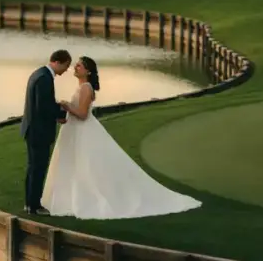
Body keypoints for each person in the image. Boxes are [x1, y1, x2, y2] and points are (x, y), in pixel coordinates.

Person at [41, 56, 202, 219]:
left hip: (81, 130)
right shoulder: (82, 86)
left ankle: (85, 198)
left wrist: (67, 105)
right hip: (75, 130)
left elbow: (82, 114)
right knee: (77, 165)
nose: (75, 67)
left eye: (79, 66)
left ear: (87, 71)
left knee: (86, 165)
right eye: (76, 65)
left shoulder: (86, 88)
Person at [20, 49, 73, 216]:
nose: (65, 71)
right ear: (58, 62)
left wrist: (56, 108)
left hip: (32, 128)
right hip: (39, 131)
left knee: (33, 167)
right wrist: (60, 115)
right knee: (38, 168)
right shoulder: (44, 78)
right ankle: (34, 206)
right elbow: (43, 107)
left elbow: (43, 103)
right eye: (66, 66)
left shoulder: (38, 73)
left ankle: (29, 203)